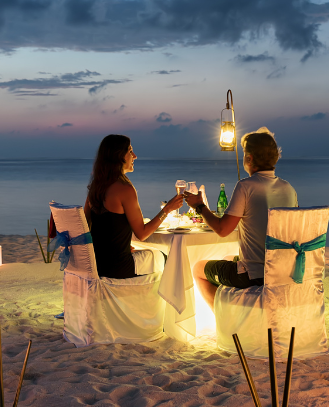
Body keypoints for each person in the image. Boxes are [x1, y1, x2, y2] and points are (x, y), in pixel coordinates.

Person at [184, 127, 297, 307]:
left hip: (254, 276)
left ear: (249, 158)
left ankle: (223, 322)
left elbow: (222, 229)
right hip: (283, 272)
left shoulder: (246, 186)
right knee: (229, 257)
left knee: (198, 268)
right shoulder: (288, 188)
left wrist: (199, 206)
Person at [84, 134, 185, 279]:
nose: (135, 156)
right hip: (118, 267)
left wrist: (118, 246)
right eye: (130, 151)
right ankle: (167, 301)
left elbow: (86, 226)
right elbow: (142, 234)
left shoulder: (96, 187)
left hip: (98, 264)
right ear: (119, 156)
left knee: (149, 253)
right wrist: (167, 209)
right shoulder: (125, 189)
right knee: (167, 258)